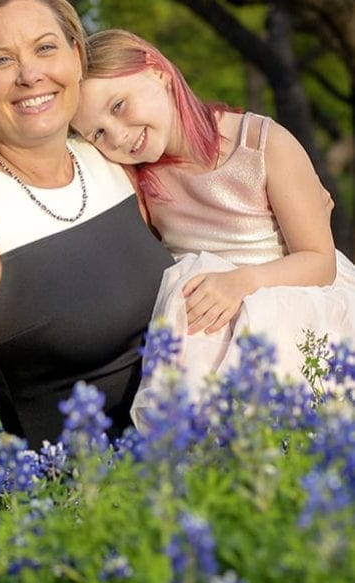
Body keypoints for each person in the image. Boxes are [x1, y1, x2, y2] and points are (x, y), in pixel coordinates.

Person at [0, 0, 174, 530]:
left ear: (78, 57)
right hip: (86, 511)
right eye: (1, 60)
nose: (30, 74)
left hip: (194, 461)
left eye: (46, 48)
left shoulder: (113, 161)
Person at [75, 28, 355, 428]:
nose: (117, 136)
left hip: (295, 300)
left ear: (157, 72)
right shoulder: (137, 182)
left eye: (118, 106)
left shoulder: (261, 143)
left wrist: (243, 282)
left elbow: (320, 262)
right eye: (97, 133)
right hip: (211, 331)